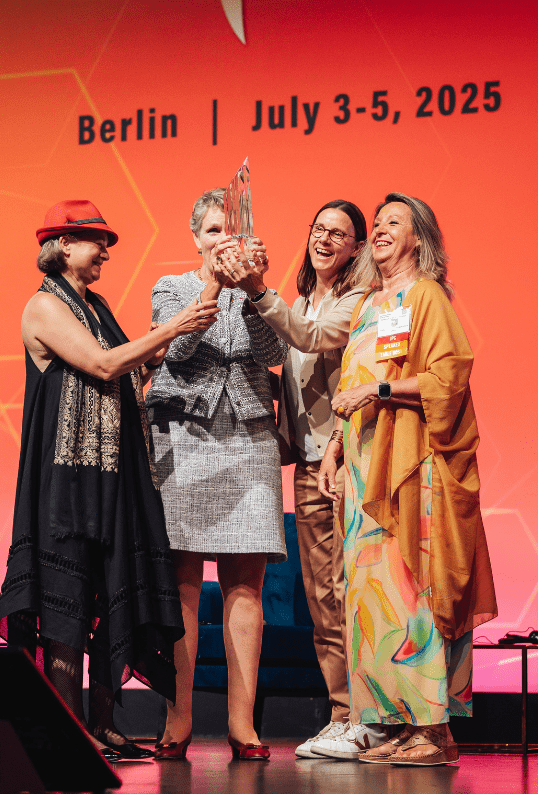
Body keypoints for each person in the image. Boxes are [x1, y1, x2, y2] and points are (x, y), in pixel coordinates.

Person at [0, 200, 220, 762]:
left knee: (104, 592)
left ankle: (104, 724)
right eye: (97, 242)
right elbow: (101, 364)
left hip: (110, 476)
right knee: (67, 597)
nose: (106, 253)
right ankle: (71, 730)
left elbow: (138, 361)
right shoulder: (44, 306)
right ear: (63, 246)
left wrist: (205, 295)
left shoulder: (95, 306)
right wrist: (172, 327)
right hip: (66, 481)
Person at [314, 192, 497, 765]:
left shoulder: (426, 297)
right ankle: (392, 724)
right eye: (381, 223)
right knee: (373, 599)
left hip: (413, 468)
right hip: (366, 470)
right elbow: (354, 377)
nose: (384, 230)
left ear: (419, 237)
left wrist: (382, 391)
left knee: (414, 588)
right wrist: (335, 450)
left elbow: (449, 375)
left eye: (396, 222)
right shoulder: (370, 304)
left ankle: (434, 730)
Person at [220, 200, 370, 758]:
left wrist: (258, 290)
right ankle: (341, 714)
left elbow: (309, 338)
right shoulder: (304, 299)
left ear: (356, 248)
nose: (326, 239)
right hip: (308, 465)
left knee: (352, 592)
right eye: (319, 229)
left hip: (348, 462)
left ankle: (367, 712)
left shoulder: (357, 300)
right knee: (322, 597)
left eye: (341, 233)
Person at [146, 188, 288, 760]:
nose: (220, 242)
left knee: (244, 585)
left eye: (229, 233)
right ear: (195, 237)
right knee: (181, 584)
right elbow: (173, 352)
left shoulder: (260, 291)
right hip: (184, 439)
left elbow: (273, 351)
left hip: (249, 441)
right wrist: (214, 287)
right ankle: (177, 719)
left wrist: (254, 290)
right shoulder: (172, 288)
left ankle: (242, 724)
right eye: (211, 232)